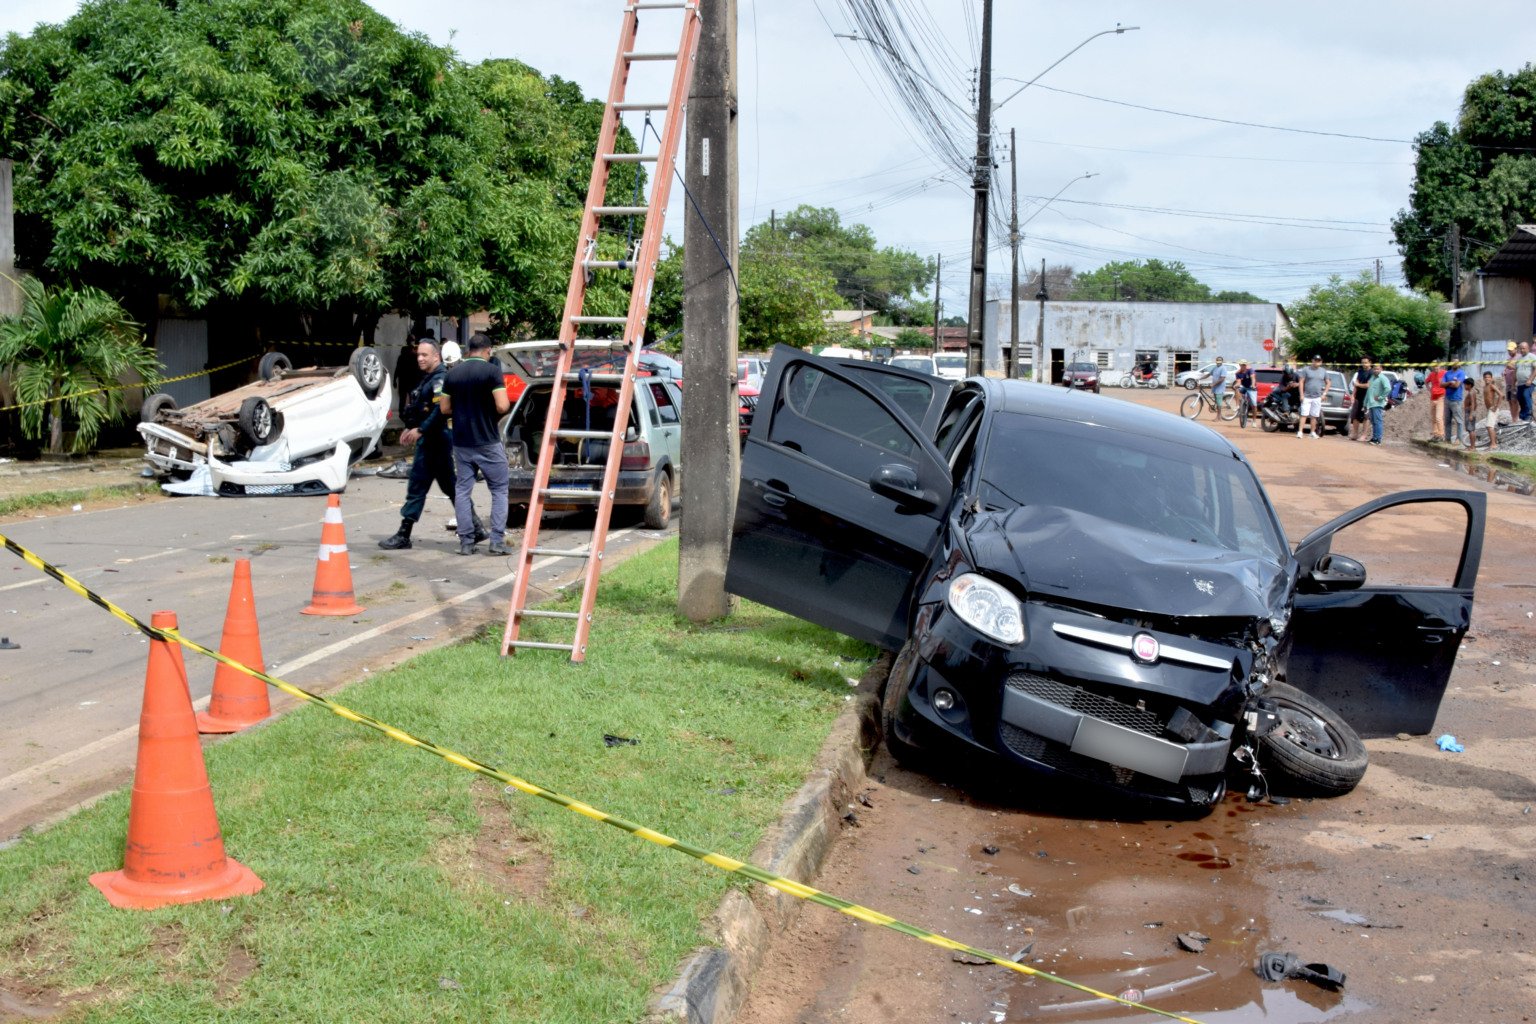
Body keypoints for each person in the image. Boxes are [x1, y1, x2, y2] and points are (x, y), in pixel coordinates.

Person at [378, 337, 486, 550]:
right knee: (450, 487)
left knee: (418, 487)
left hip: (434, 441)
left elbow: (440, 410)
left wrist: (421, 429)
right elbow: (423, 409)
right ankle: (476, 527)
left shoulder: (439, 379)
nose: (419, 358)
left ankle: (404, 534)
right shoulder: (428, 378)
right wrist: (411, 427)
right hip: (433, 441)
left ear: (436, 356)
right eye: (418, 354)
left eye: (424, 355)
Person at [440, 332, 510, 556]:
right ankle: (497, 542)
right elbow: (502, 406)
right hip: (488, 441)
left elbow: (444, 408)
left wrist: (463, 410)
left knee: (462, 491)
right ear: (488, 350)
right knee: (499, 490)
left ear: (469, 350)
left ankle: (467, 542)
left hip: (461, 443)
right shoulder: (492, 372)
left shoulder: (453, 374)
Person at [1297, 355, 1330, 438]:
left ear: (1321, 362)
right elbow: (1301, 382)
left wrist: (1324, 394)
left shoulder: (1323, 371)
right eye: (1315, 360)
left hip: (1317, 397)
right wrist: (1301, 394)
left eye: (1319, 360)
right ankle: (1300, 432)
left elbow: (1328, 383)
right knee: (1304, 414)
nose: (1317, 362)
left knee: (1314, 415)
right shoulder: (1306, 369)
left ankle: (1312, 432)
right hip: (1306, 396)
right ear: (1312, 360)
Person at [1442, 360, 1467, 445]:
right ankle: (1447, 439)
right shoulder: (1447, 373)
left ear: (1459, 364)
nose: (1454, 364)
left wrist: (1448, 384)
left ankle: (1459, 439)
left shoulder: (1461, 373)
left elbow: (1457, 385)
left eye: (1456, 362)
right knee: (1447, 420)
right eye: (1453, 362)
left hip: (1456, 399)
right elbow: (1441, 384)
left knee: (1458, 420)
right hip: (1447, 398)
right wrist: (1450, 382)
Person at [1364, 367, 1391, 446]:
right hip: (1371, 403)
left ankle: (1378, 439)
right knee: (1373, 421)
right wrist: (1365, 403)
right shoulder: (1372, 378)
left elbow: (1388, 388)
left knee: (1378, 421)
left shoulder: (1383, 378)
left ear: (1381, 369)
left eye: (1378, 369)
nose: (1376, 370)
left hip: (1377, 404)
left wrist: (1380, 397)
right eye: (1374, 369)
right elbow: (1368, 391)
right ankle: (1374, 437)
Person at [1349, 356, 1373, 441]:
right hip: (1358, 396)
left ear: (1370, 362)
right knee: (1355, 415)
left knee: (1366, 416)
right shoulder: (1360, 371)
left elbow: (1368, 385)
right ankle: (1355, 433)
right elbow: (1356, 384)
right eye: (1362, 362)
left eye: (1366, 362)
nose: (1364, 364)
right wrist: (1353, 395)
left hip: (1367, 397)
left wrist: (1358, 385)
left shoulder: (1372, 372)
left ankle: (1364, 435)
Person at [1481, 370, 1502, 451]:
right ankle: (1494, 442)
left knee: (1489, 426)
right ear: (1483, 378)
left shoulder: (1491, 386)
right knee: (1490, 426)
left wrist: (1496, 406)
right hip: (1489, 409)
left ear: (1491, 378)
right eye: (1485, 377)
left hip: (1493, 409)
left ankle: (1493, 444)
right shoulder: (1485, 387)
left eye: (1489, 377)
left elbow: (1501, 395)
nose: (1487, 379)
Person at [1514, 339, 1534, 423]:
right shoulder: (1518, 358)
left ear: (1528, 348)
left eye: (1523, 348)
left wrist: (1530, 379)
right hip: (1520, 383)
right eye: (1520, 348)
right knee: (1519, 397)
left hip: (1529, 382)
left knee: (1526, 395)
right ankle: (1523, 415)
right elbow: (1515, 370)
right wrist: (1513, 382)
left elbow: (1535, 369)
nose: (1522, 350)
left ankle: (1529, 414)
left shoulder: (1532, 357)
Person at [1426, 361, 1446, 441]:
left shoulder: (1444, 373)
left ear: (1439, 366)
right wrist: (1429, 389)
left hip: (1441, 397)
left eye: (1437, 366)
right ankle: (1435, 434)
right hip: (1433, 397)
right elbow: (1426, 381)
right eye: (1434, 366)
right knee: (1433, 418)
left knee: (1438, 417)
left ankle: (1441, 434)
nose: (1435, 368)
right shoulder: (1431, 374)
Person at [1233, 359, 1256, 428]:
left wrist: (1253, 385)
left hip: (1252, 388)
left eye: (1244, 365)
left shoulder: (1250, 370)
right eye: (1242, 365)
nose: (1243, 366)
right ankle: (1237, 405)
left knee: (1254, 405)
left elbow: (1253, 378)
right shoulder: (1238, 373)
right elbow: (1238, 382)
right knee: (1237, 389)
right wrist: (1236, 385)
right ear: (1240, 365)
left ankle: (1254, 421)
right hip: (1244, 387)